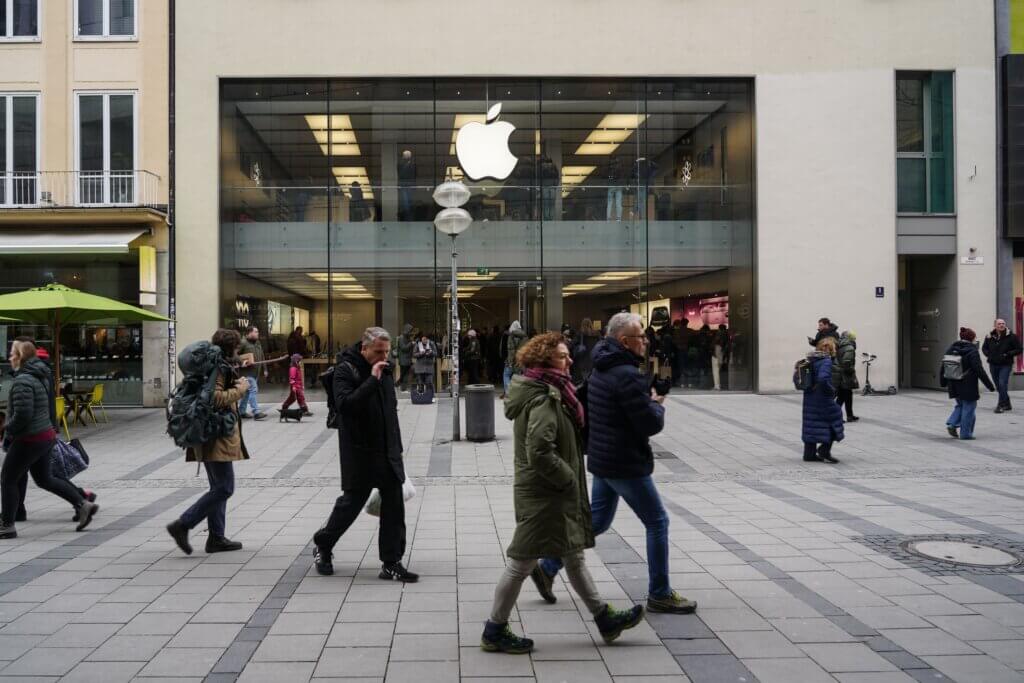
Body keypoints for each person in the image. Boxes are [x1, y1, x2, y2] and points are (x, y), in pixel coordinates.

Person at [482, 332, 645, 654]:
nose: (570, 360)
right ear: (545, 363)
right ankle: (494, 629)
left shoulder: (551, 390)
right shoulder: (545, 398)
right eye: (562, 356)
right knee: (521, 563)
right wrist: (569, 478)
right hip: (545, 495)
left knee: (574, 555)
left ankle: (604, 618)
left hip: (550, 492)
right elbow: (539, 450)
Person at [535, 312, 698, 615]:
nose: (645, 341)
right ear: (625, 341)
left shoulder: (601, 367)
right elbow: (649, 424)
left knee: (597, 521)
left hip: (603, 458)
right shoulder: (626, 374)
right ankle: (660, 593)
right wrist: (657, 404)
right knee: (658, 522)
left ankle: (547, 566)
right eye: (641, 337)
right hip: (625, 462)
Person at [312, 327, 417, 582]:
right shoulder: (345, 370)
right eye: (378, 351)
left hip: (387, 451)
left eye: (386, 351)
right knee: (351, 505)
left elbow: (390, 411)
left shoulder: (386, 369)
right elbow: (347, 405)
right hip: (359, 452)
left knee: (394, 508)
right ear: (364, 348)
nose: (383, 356)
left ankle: (391, 563)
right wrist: (372, 379)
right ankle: (323, 544)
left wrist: (397, 448)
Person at [1, 341, 99, 540]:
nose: (9, 358)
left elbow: (23, 415)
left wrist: (6, 428)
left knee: (8, 479)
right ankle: (83, 504)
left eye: (12, 354)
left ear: (20, 358)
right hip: (44, 435)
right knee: (45, 479)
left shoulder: (23, 381)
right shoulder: (38, 376)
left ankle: (7, 525)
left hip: (29, 438)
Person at [166, 329, 249, 554]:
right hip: (216, 434)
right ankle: (183, 524)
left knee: (218, 486)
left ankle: (216, 538)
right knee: (224, 488)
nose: (238, 351)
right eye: (237, 347)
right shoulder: (218, 367)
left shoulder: (212, 364)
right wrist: (241, 388)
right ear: (230, 347)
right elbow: (215, 397)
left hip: (209, 432)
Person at [941, 327, 995, 440]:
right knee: (969, 407)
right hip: (967, 384)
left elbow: (944, 366)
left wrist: (943, 382)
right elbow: (979, 369)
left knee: (961, 405)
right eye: (975, 337)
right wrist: (990, 386)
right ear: (971, 338)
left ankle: (952, 424)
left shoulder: (951, 348)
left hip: (953, 383)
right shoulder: (972, 351)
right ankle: (965, 433)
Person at [801, 337, 844, 464]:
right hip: (822, 397)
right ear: (832, 349)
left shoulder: (811, 359)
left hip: (809, 397)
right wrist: (831, 390)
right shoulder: (826, 361)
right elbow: (823, 379)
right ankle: (824, 450)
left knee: (811, 423)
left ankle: (809, 454)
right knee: (835, 418)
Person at [982, 319, 1022, 413]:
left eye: (1003, 323)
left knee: (1002, 383)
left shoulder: (1012, 336)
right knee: (998, 385)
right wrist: (989, 354)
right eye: (999, 324)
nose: (1001, 325)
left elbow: (1019, 349)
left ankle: (1000, 405)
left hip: (1006, 364)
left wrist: (1007, 354)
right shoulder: (989, 336)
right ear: (995, 325)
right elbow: (984, 348)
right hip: (993, 364)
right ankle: (1007, 403)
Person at [238, 326, 268, 421]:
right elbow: (234, 355)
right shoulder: (242, 343)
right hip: (246, 373)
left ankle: (241, 411)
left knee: (247, 392)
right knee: (253, 389)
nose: (258, 333)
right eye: (256, 332)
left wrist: (265, 368)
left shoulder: (258, 343)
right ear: (249, 333)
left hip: (256, 372)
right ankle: (256, 412)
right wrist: (242, 362)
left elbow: (262, 355)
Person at [833, 331, 859, 422]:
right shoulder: (849, 347)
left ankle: (850, 415)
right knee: (842, 396)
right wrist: (851, 370)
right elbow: (846, 362)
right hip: (845, 375)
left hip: (839, 373)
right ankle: (835, 417)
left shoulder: (839, 344)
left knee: (848, 395)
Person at [503, 320, 527, 395]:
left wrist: (510, 362)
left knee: (506, 375)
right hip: (521, 360)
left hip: (513, 360)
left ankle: (509, 393)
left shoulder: (511, 336)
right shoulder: (525, 336)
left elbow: (511, 351)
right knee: (519, 377)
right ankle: (519, 393)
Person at [397, 149, 417, 220]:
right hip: (403, 185)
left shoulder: (412, 165)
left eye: (404, 156)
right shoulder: (400, 165)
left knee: (408, 202)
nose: (403, 157)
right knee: (405, 202)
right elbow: (400, 175)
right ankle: (406, 216)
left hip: (409, 185)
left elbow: (414, 176)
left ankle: (408, 217)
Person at [395, 325, 415, 391]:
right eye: (410, 331)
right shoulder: (401, 338)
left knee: (406, 374)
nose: (411, 333)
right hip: (403, 359)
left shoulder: (408, 338)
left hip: (408, 359)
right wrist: (411, 343)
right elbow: (404, 348)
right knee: (404, 374)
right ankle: (401, 387)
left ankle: (401, 386)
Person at [712, 324, 729, 391]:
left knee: (716, 369)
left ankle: (717, 386)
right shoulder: (727, 335)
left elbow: (715, 342)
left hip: (718, 350)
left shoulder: (719, 334)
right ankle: (719, 385)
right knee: (719, 368)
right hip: (723, 351)